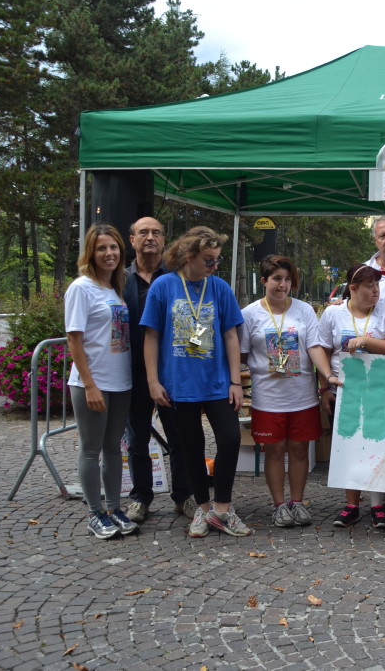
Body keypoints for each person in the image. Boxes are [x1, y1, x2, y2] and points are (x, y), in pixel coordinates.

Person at [140, 226, 253, 538]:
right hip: (178, 383)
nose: (214, 266)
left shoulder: (218, 288)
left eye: (217, 260)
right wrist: (153, 381)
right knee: (190, 447)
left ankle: (223, 509)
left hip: (217, 382)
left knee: (230, 439)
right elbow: (151, 336)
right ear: (189, 257)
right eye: (209, 260)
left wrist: (235, 382)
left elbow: (231, 335)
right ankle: (203, 510)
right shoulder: (163, 286)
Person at [241, 256, 333, 528]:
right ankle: (279, 505)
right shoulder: (249, 314)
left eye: (287, 280)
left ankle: (297, 502)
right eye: (277, 279)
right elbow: (242, 354)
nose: (283, 285)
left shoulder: (304, 311)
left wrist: (327, 376)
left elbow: (314, 346)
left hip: (301, 395)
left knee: (299, 450)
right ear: (264, 281)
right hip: (268, 397)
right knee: (274, 451)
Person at [317, 263, 385, 529]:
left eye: (377, 285)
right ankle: (352, 505)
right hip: (343, 392)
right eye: (369, 286)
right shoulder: (333, 314)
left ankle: (377, 504)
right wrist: (324, 388)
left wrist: (366, 341)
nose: (375, 291)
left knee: (377, 447)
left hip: (378, 391)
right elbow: (321, 349)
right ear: (353, 288)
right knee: (347, 450)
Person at [66, 223, 138, 539]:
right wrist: (90, 384)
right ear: (91, 254)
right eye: (101, 248)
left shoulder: (114, 288)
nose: (109, 253)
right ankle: (94, 512)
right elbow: (74, 340)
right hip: (91, 384)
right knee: (91, 448)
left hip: (120, 382)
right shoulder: (81, 288)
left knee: (113, 448)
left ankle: (114, 508)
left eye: (113, 247)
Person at [123, 216, 193, 524]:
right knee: (137, 439)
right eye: (143, 232)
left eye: (156, 232)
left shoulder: (178, 279)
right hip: (131, 373)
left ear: (164, 240)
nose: (150, 237)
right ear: (132, 240)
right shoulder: (119, 280)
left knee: (180, 437)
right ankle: (140, 498)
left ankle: (184, 496)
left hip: (172, 370)